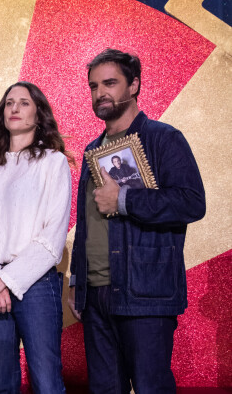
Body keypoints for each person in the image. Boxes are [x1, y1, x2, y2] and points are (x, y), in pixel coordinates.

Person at [68, 48, 206, 393]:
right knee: (104, 389)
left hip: (145, 292)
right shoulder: (92, 150)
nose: (101, 93)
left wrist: (125, 200)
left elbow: (192, 203)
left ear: (134, 85)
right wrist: (77, 283)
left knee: (150, 387)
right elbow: (86, 223)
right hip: (95, 295)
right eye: (94, 86)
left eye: (110, 83)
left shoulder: (163, 138)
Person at [0, 82, 72, 394]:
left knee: (47, 383)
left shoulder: (54, 162)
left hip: (36, 286)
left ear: (39, 114)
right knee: (3, 385)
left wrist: (6, 280)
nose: (14, 108)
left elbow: (51, 239)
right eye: (9, 102)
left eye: (24, 103)